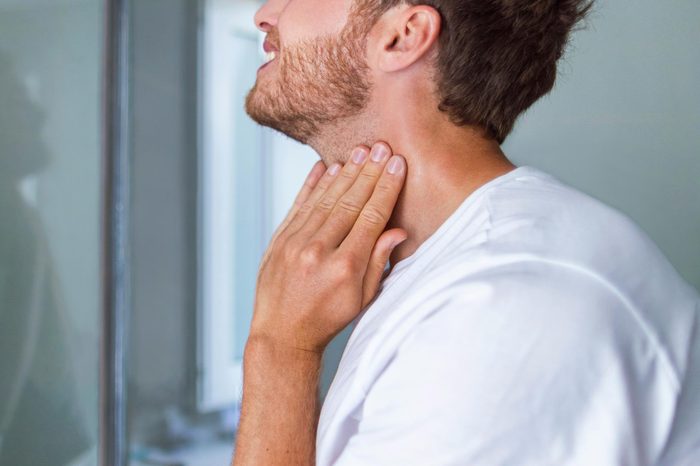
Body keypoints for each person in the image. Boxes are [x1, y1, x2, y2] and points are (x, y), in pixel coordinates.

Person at [232, 1, 700, 465]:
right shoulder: (456, 271)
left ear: (404, 35)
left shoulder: (513, 301)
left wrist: (280, 349)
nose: (265, 14)